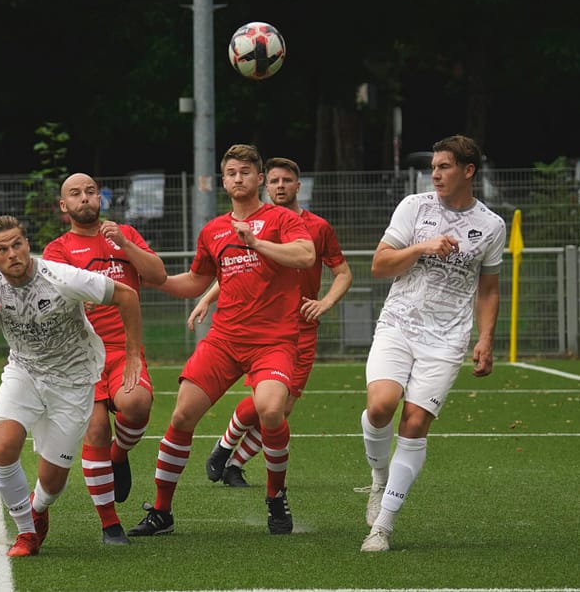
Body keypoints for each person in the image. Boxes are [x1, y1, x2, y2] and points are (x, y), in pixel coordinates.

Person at [127, 144, 315, 538]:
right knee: (181, 416)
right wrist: (152, 279)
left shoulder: (280, 218)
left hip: (274, 341)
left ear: (259, 178)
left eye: (246, 171)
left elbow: (305, 255)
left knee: (270, 410)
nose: (238, 178)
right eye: (231, 173)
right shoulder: (213, 229)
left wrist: (256, 243)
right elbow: (196, 280)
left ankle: (275, 495)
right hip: (225, 339)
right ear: (224, 181)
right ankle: (162, 511)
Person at [0, 215, 142, 557]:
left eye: (17, 244)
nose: (13, 253)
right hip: (24, 373)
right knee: (3, 446)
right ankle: (26, 532)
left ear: (27, 244)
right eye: (2, 249)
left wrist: (133, 355)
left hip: (73, 383)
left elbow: (127, 296)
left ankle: (38, 509)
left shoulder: (61, 277)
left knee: (52, 483)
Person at [359, 135, 505, 552]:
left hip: (446, 340)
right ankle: (379, 479)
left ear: (468, 171)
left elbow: (490, 289)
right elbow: (379, 264)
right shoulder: (414, 207)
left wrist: (486, 339)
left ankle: (383, 525)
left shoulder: (491, 225)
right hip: (398, 325)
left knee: (415, 423)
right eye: (434, 167)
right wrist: (423, 246)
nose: (435, 174)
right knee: (381, 406)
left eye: (444, 167)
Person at [190, 157, 353, 487]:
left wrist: (325, 302)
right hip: (266, 328)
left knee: (282, 407)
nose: (280, 186)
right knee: (270, 403)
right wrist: (207, 297)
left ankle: (233, 461)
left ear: (298, 185)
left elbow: (343, 273)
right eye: (275, 181)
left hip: (302, 327)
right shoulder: (262, 225)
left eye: (287, 181)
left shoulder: (317, 227)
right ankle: (225, 448)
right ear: (266, 185)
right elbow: (240, 268)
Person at [42, 172, 166, 545]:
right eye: (76, 194)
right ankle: (110, 524)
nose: (85, 199)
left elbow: (158, 275)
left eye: (91, 192)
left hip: (124, 350)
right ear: (65, 206)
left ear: (101, 198)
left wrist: (125, 245)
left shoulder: (124, 234)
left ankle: (119, 453)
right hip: (80, 356)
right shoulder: (58, 249)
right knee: (95, 429)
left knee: (137, 404)